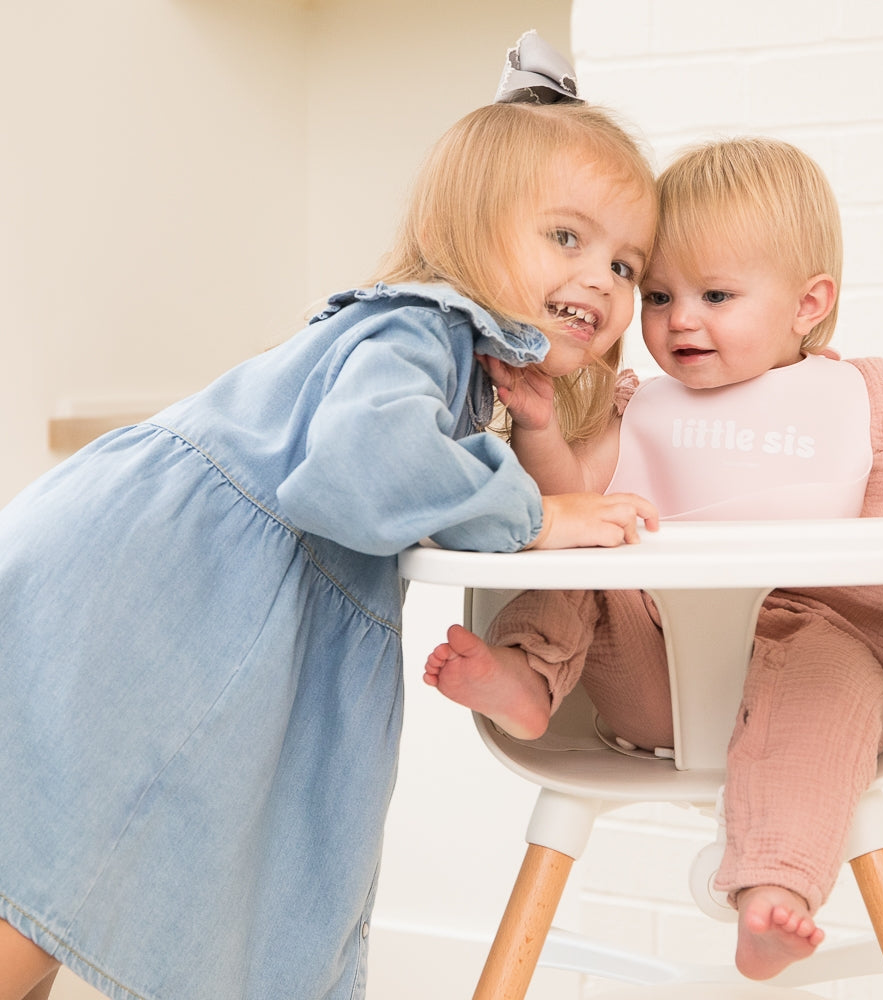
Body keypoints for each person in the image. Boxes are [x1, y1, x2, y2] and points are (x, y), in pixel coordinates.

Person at [0, 33, 659, 1000]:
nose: (603, 279)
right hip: (146, 586)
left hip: (154, 579)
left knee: (64, 856)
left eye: (628, 265)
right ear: (471, 231)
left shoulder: (445, 352)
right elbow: (362, 464)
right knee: (50, 874)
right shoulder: (421, 328)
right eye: (568, 238)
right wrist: (532, 515)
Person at [423, 136, 883, 981]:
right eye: (657, 294)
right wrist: (543, 431)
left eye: (716, 294)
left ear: (809, 303)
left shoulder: (875, 393)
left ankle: (775, 893)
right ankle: (526, 676)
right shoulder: (636, 405)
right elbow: (568, 495)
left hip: (816, 653)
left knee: (831, 675)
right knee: (587, 542)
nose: (679, 319)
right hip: (648, 674)